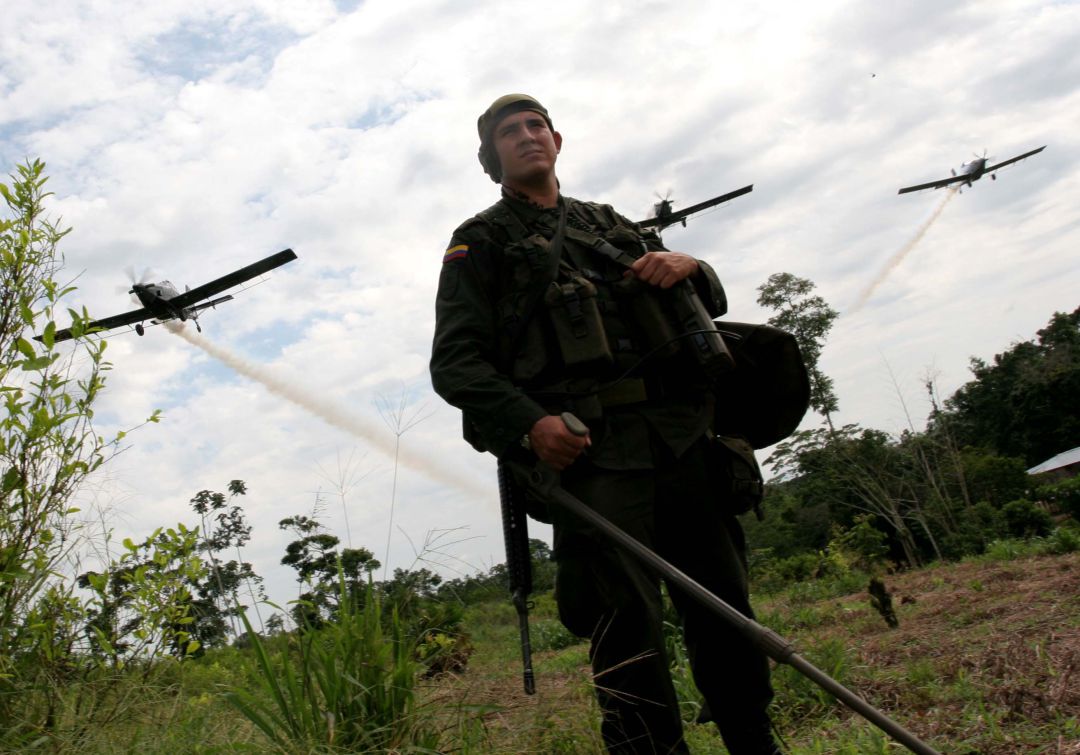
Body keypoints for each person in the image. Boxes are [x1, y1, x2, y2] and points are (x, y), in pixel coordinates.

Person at [430, 94, 782, 754]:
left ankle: (754, 740)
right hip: (594, 463)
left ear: (557, 141)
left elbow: (703, 299)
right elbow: (454, 363)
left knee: (727, 612)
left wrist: (694, 266)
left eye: (537, 126)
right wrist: (531, 424)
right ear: (492, 156)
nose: (528, 136)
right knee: (627, 634)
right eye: (510, 132)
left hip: (681, 440)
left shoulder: (610, 224)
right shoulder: (479, 242)